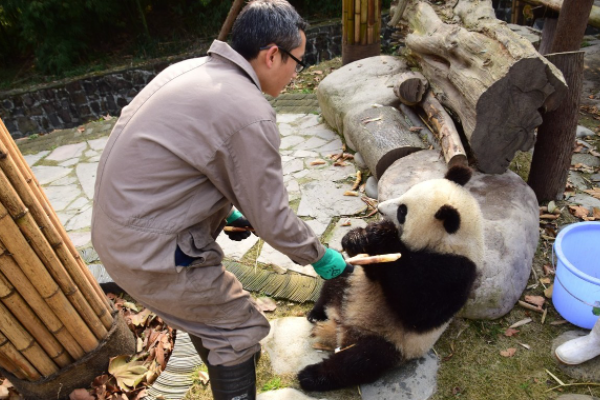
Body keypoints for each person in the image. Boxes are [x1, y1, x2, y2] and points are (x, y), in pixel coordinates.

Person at [90, 1, 350, 399]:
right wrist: (321, 257)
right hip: (154, 255)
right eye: (298, 60)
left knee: (210, 317)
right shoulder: (249, 112)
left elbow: (175, 166)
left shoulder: (191, 70)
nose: (297, 71)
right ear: (272, 54)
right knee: (239, 328)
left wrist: (223, 211)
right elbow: (273, 218)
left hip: (122, 235)